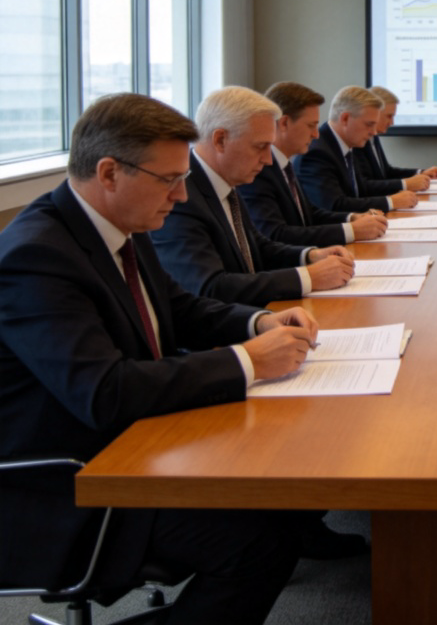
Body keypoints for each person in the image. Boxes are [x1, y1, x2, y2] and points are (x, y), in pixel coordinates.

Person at [0, 93, 319, 623]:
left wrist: (256, 322)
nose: (182, 193)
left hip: (134, 448)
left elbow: (179, 307)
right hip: (69, 485)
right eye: (169, 178)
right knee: (259, 542)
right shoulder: (37, 258)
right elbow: (105, 392)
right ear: (109, 173)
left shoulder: (121, 222)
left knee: (280, 496)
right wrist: (249, 362)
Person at [152, 86, 355, 306]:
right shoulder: (181, 199)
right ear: (220, 140)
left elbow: (255, 247)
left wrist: (310, 256)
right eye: (260, 147)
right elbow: (209, 287)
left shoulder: (225, 181)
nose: (268, 160)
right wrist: (308, 277)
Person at [238, 81, 389, 245]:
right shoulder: (258, 170)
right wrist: (351, 230)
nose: (316, 135)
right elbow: (275, 234)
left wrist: (351, 217)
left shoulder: (284, 164)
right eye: (311, 126)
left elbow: (309, 214)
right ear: (284, 123)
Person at [295, 85, 421, 215]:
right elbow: (333, 205)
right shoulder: (317, 153)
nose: (373, 132)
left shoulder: (347, 143)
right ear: (345, 119)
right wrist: (390, 202)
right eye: (369, 124)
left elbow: (361, 191)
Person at [353, 85, 437, 185]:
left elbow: (386, 172)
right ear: (375, 113)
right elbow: (365, 186)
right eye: (389, 116)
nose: (392, 123)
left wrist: (420, 173)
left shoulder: (374, 137)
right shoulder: (357, 141)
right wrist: (406, 184)